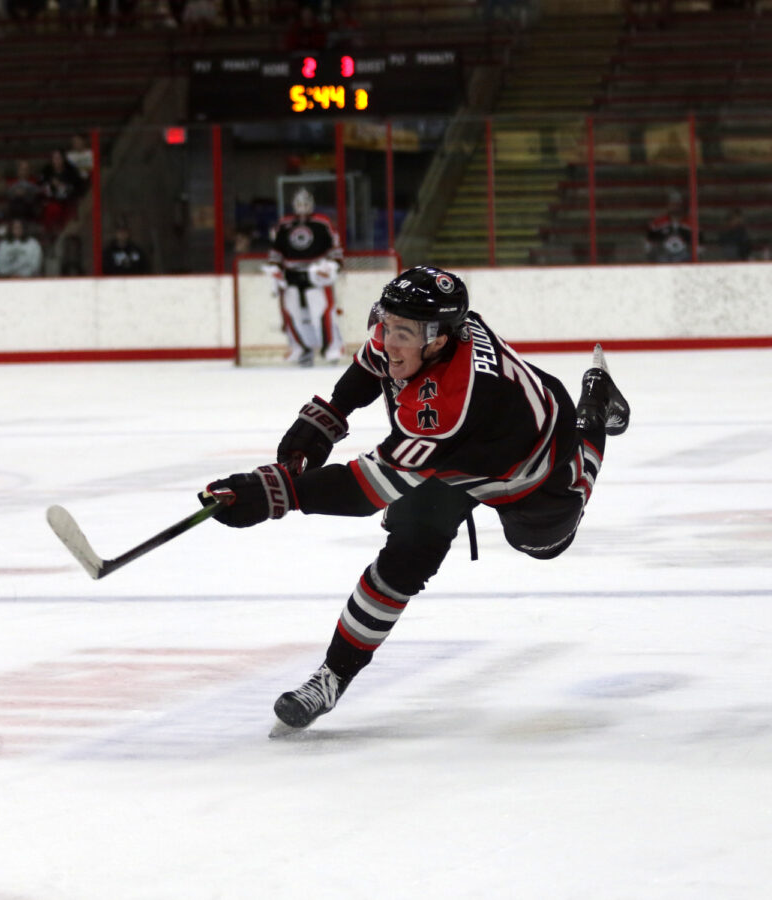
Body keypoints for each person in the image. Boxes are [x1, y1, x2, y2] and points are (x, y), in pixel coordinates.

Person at [197, 265, 632, 732]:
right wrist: (329, 415)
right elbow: (371, 363)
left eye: (402, 333)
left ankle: (593, 408)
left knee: (543, 544)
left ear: (439, 340)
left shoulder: (451, 401)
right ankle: (333, 676)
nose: (389, 341)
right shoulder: (417, 334)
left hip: (529, 466)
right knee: (405, 557)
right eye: (387, 324)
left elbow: (365, 490)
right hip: (448, 460)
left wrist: (274, 494)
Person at [266, 187, 345, 366]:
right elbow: (276, 251)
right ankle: (301, 348)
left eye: (305, 203)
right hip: (291, 274)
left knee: (321, 311)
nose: (302, 207)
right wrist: (274, 268)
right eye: (299, 203)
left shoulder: (322, 222)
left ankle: (331, 348)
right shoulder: (284, 224)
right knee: (292, 313)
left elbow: (334, 247)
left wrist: (333, 265)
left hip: (315, 273)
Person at [646, 189, 695, 263]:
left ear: (682, 205)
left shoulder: (691, 224)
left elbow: (699, 247)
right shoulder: (657, 224)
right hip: (663, 262)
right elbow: (649, 246)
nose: (675, 206)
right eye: (673, 203)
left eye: (678, 203)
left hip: (684, 263)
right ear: (668, 205)